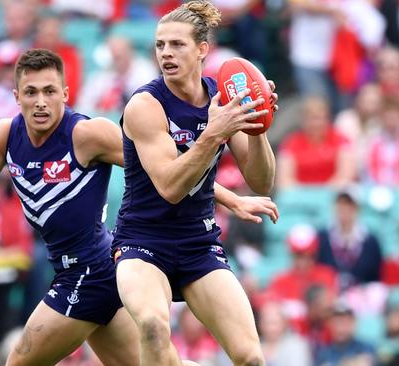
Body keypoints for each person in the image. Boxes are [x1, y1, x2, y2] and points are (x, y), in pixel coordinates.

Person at [0, 48, 275, 365]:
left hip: (90, 271)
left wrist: (232, 199)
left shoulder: (89, 134)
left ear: (65, 92)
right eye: (31, 92)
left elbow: (167, 169)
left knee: (18, 362)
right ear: (17, 97)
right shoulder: (4, 135)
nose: (41, 101)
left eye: (49, 90)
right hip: (83, 270)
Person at [111, 1, 278, 365]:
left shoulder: (221, 100)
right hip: (143, 242)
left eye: (177, 44)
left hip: (198, 243)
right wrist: (213, 134)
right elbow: (170, 187)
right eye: (160, 45)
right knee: (154, 327)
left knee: (251, 357)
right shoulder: (145, 105)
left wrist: (257, 126)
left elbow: (261, 180)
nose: (166, 53)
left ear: (203, 49)